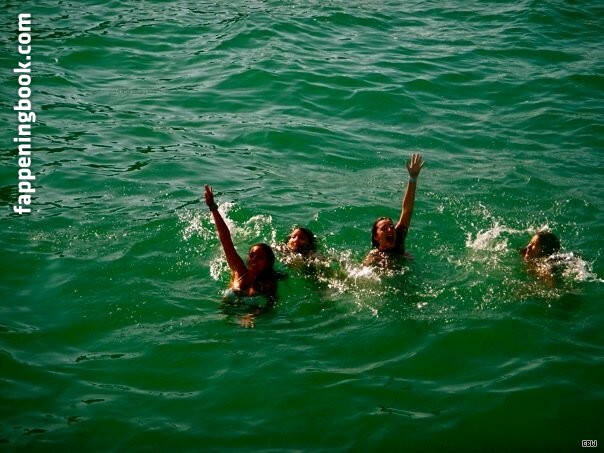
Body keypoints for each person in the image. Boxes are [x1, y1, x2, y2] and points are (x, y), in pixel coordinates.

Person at [204, 185, 281, 326]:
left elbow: (270, 307)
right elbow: (225, 239)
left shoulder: (268, 283)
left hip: (247, 324)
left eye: (259, 257)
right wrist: (213, 207)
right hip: (222, 319)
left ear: (268, 262)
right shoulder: (239, 270)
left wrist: (251, 316)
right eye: (252, 255)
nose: (253, 259)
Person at [364, 153, 424, 268]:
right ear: (376, 237)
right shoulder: (374, 257)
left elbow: (407, 209)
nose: (390, 229)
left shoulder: (398, 237)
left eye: (391, 226)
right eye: (384, 228)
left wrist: (413, 178)